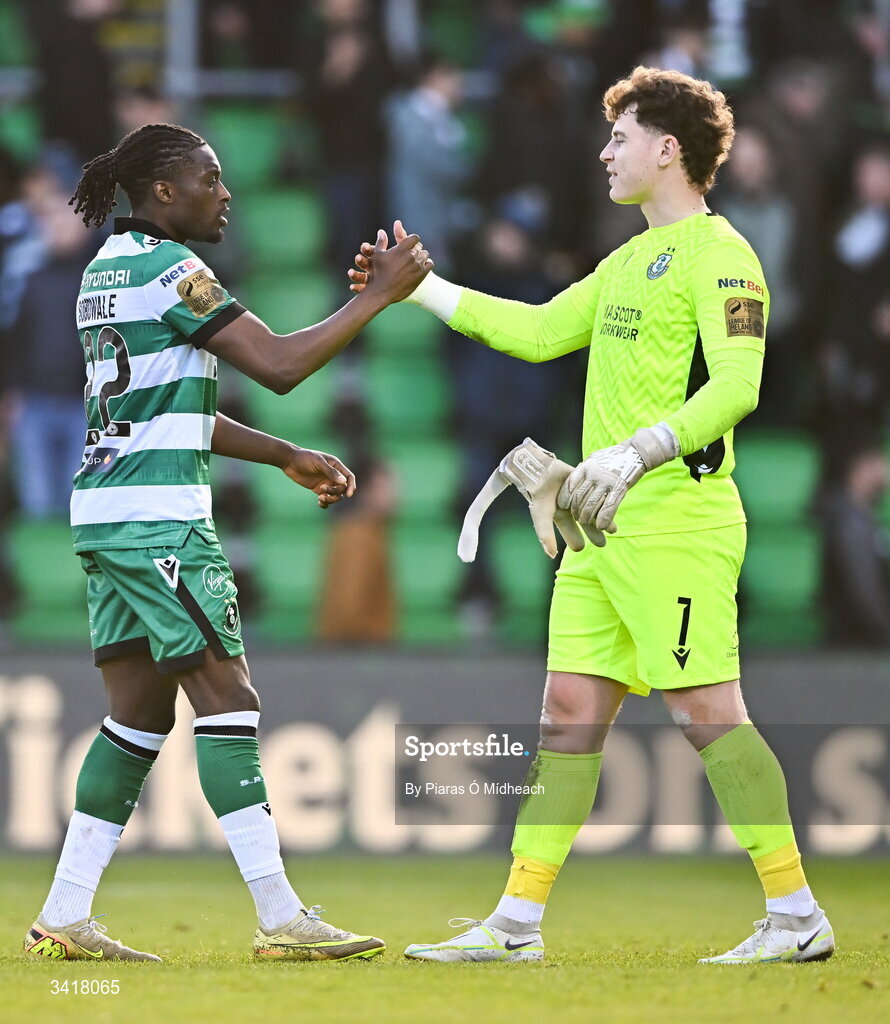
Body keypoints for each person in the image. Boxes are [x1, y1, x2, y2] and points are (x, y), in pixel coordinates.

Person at [351, 66, 834, 965]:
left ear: (669, 150)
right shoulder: (625, 259)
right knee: (568, 712)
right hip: (599, 526)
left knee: (709, 715)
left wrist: (639, 449)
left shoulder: (724, 256)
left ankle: (798, 915)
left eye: (622, 137)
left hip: (678, 520)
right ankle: (517, 925)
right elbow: (536, 332)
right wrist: (419, 289)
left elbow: (739, 384)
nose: (606, 151)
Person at [23, 122, 430, 963]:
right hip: (160, 519)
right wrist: (377, 297)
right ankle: (281, 918)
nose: (227, 192)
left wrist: (283, 453)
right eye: (210, 178)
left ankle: (64, 914)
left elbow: (168, 408)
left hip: (108, 514)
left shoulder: (105, 274)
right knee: (230, 701)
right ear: (164, 192)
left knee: (136, 717)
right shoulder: (173, 269)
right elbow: (279, 364)